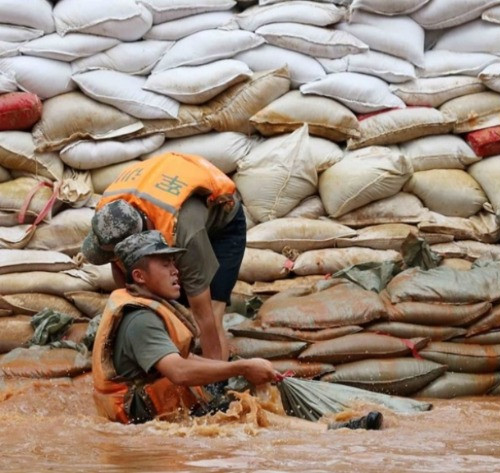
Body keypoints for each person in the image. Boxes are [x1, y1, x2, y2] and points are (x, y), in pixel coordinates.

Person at [91, 229, 383, 430]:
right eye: (165, 264)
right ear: (139, 276)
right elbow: (178, 371)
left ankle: (322, 427)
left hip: (147, 406)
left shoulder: (145, 306)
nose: (175, 270)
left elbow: (180, 359)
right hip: (140, 415)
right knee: (241, 413)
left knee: (236, 397)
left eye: (173, 263)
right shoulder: (141, 319)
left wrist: (233, 369)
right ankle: (330, 432)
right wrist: (241, 368)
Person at [82, 152, 243, 361]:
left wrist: (214, 379)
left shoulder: (183, 231)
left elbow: (203, 317)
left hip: (223, 225)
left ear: (143, 235)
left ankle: (217, 374)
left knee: (211, 312)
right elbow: (124, 280)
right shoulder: (109, 214)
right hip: (166, 204)